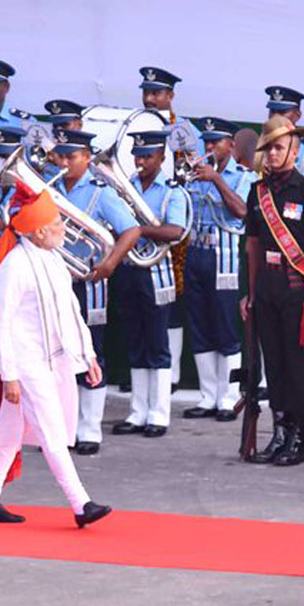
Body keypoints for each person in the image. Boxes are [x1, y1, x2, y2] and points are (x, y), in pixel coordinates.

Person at [0, 184, 112, 527]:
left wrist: (88, 355)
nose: (64, 228)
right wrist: (9, 375)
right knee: (51, 431)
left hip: (53, 360)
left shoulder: (52, 258)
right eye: (57, 224)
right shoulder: (14, 267)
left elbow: (72, 311)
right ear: (38, 232)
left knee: (9, 433)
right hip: (27, 365)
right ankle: (81, 503)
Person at [243, 115, 304, 466]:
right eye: (268, 149)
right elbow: (251, 245)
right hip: (266, 285)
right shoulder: (257, 192)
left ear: (294, 151)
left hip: (297, 288)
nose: (273, 154)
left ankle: (299, 436)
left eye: (279, 148)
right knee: (274, 364)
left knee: (298, 365)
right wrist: (250, 292)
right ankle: (279, 431)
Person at [51, 128, 142, 454]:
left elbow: (132, 229)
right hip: (56, 282)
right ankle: (62, 427)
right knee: (57, 354)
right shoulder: (49, 188)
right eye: (60, 156)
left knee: (91, 352)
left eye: (71, 157)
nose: (64, 162)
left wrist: (111, 263)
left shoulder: (100, 191)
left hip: (90, 282)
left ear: (87, 159)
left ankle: (89, 429)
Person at [110, 128, 190, 437]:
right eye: (137, 155)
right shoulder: (124, 187)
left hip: (157, 274)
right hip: (129, 270)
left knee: (157, 344)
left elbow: (176, 231)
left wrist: (139, 231)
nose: (141, 160)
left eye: (147, 155)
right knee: (136, 342)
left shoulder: (172, 191)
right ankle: (137, 411)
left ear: (161, 157)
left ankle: (158, 414)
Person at [180, 117, 250, 420]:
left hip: (225, 259)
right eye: (207, 142)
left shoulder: (243, 175)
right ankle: (208, 396)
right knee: (199, 324)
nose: (209, 147)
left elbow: (242, 211)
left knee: (225, 326)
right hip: (196, 252)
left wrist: (217, 180)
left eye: (216, 142)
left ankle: (229, 396)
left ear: (231, 146)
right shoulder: (195, 172)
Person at [139, 67, 190, 387]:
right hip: (139, 222)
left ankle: (169, 373)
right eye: (146, 92)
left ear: (170, 96)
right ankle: (144, 372)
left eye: (157, 93)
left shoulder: (183, 130)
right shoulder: (135, 125)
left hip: (172, 219)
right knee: (141, 296)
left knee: (171, 294)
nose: (149, 99)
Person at [266, 86, 304, 184]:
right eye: (273, 111)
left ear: (297, 115)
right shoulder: (259, 146)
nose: (276, 117)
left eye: (282, 112)